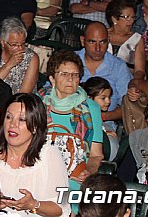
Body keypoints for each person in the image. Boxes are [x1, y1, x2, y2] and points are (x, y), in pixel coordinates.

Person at [0, 93, 71, 216]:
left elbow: (63, 208)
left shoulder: (51, 154)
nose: (12, 125)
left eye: (21, 119)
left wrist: (33, 205)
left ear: (35, 127)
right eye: (8, 117)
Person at [41, 50, 104, 192]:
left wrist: (87, 172)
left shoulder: (91, 108)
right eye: (64, 74)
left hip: (75, 178)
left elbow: (96, 155)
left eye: (75, 75)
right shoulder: (38, 103)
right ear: (52, 79)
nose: (70, 79)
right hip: (41, 172)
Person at [77, 22, 132, 123]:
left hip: (105, 125)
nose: (98, 48)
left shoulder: (118, 67)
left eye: (102, 42)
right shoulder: (70, 62)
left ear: (108, 41)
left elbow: (127, 106)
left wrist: (101, 117)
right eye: (92, 42)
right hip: (71, 120)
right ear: (82, 41)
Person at [0, 17, 39, 94]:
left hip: (20, 102)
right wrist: (9, 65)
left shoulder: (31, 58)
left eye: (22, 44)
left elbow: (24, 93)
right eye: (14, 44)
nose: (20, 48)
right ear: (2, 42)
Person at [105, 0, 146, 80]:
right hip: (101, 78)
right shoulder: (102, 34)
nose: (131, 21)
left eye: (133, 17)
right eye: (127, 17)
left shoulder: (137, 39)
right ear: (114, 19)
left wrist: (133, 83)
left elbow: (140, 71)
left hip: (126, 80)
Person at [82, 77, 118, 159]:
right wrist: (103, 134)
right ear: (89, 98)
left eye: (109, 97)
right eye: (103, 98)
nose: (108, 101)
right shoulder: (86, 113)